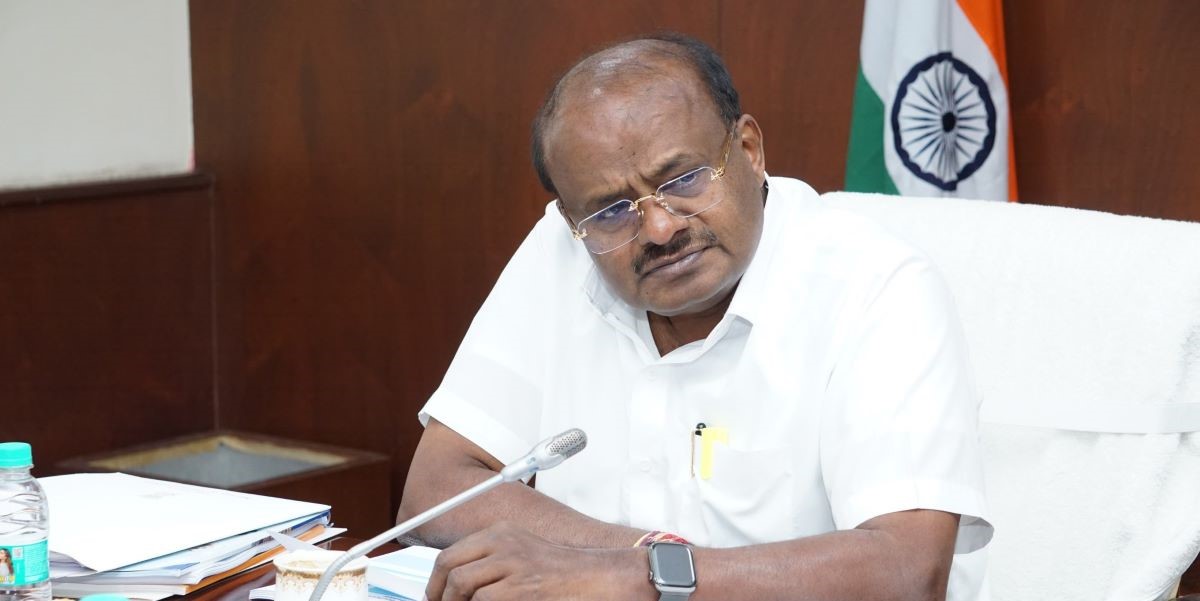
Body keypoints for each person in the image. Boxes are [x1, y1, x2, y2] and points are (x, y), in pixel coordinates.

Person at [399, 32, 991, 601]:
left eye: (682, 180)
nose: (659, 228)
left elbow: (906, 572)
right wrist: (646, 559)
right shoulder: (567, 247)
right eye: (612, 211)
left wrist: (633, 579)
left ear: (750, 151)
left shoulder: (879, 287)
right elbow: (435, 492)